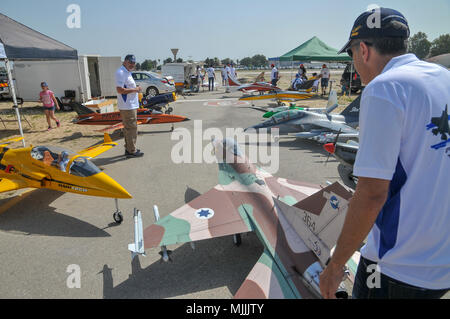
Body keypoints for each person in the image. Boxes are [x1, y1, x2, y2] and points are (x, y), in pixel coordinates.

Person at [319, 7, 450, 299]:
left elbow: (372, 193)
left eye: (352, 54)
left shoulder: (384, 89)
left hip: (396, 267)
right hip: (442, 263)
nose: (353, 63)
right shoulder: (444, 79)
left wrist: (336, 264)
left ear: (363, 50)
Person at [115, 54, 144, 158]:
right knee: (131, 128)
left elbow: (126, 87)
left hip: (130, 105)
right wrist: (135, 90)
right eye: (130, 62)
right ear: (125, 61)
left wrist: (135, 88)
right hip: (127, 106)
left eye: (134, 63)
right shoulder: (121, 72)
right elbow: (119, 90)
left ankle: (129, 148)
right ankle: (131, 150)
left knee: (130, 128)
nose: (132, 64)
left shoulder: (127, 72)